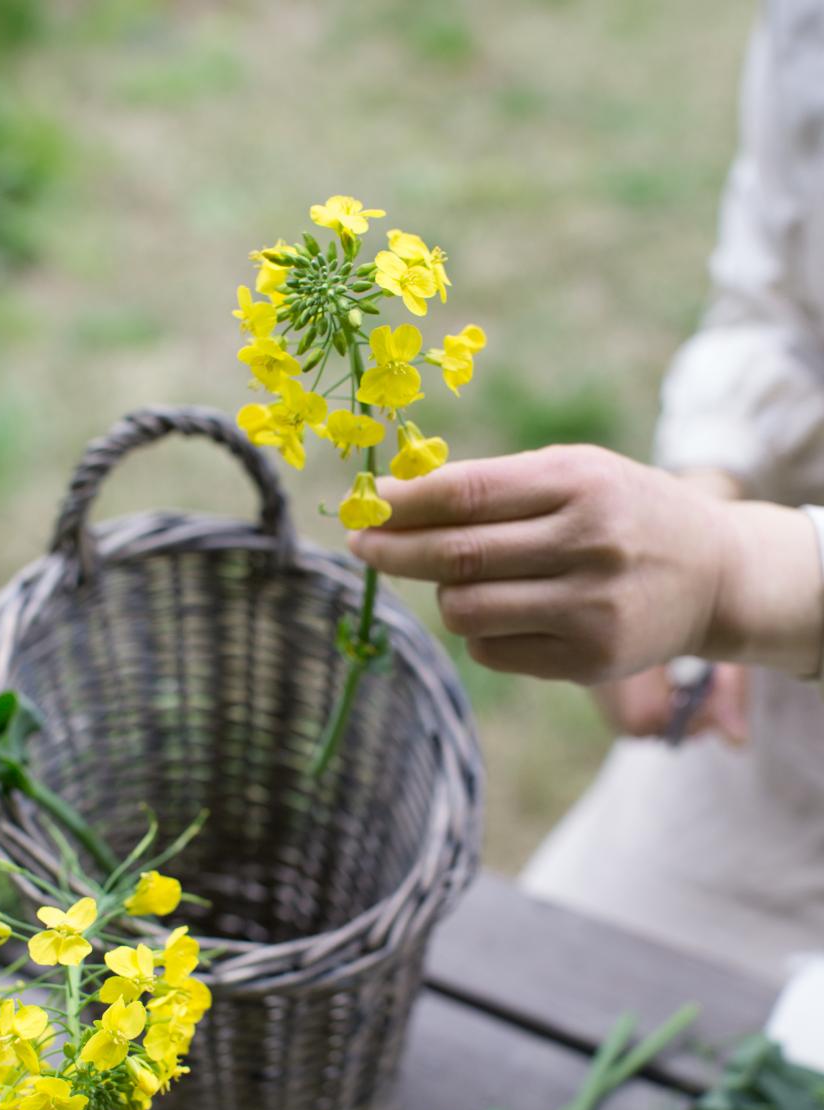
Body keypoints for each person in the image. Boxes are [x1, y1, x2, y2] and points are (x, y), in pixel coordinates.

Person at [349, 2, 824, 984]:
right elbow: (770, 303)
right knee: (533, 991)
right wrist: (703, 498)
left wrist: (737, 575)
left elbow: (741, 575)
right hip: (778, 738)